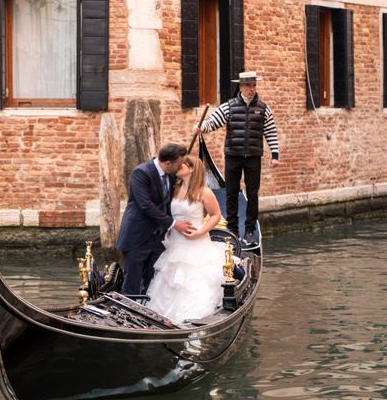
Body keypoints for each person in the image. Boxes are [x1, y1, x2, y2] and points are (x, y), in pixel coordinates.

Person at [193, 70, 280, 247]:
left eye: (253, 85)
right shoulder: (229, 106)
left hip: (253, 157)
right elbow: (213, 122)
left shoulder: (263, 108)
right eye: (248, 85)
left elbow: (270, 132)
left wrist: (275, 154)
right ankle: (232, 229)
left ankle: (249, 230)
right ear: (240, 86)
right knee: (231, 193)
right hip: (233, 155)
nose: (251, 89)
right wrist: (202, 127)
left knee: (253, 194)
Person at [146, 155, 225, 323]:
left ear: (191, 169)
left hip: (196, 241)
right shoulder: (175, 188)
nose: (178, 166)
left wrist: (201, 231)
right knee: (172, 280)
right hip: (175, 242)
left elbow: (216, 215)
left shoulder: (204, 191)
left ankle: (191, 318)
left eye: (182, 164)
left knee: (193, 281)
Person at [116, 143, 195, 297]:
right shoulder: (141, 173)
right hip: (137, 237)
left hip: (158, 238)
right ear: (168, 163)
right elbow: (146, 205)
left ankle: (148, 314)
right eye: (178, 164)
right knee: (132, 284)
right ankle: (126, 317)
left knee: (153, 283)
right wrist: (174, 224)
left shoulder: (172, 175)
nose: (180, 167)